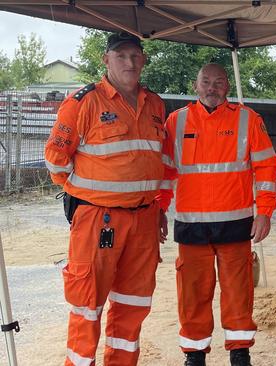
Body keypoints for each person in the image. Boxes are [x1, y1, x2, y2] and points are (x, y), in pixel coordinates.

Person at [44, 32, 166, 366]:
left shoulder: (155, 104)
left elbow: (156, 160)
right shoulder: (84, 102)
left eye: (136, 55)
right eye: (122, 55)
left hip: (144, 219)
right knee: (87, 307)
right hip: (98, 220)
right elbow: (55, 160)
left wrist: (158, 208)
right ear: (106, 60)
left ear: (143, 59)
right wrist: (84, 196)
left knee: (133, 306)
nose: (130, 62)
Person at [158, 63, 276, 366]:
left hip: (236, 225)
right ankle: (194, 355)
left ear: (227, 87)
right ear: (196, 85)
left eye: (219, 82)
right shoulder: (176, 121)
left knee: (238, 294)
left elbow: (266, 167)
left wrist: (264, 212)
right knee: (193, 295)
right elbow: (164, 171)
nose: (212, 88)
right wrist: (159, 209)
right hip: (191, 226)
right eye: (206, 82)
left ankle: (240, 353)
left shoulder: (248, 119)